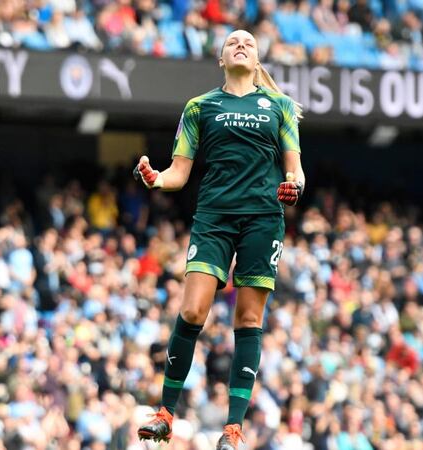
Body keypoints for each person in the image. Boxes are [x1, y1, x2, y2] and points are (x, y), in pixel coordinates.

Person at [133, 29, 305, 450]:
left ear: (258, 56)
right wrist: (157, 179)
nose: (241, 44)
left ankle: (232, 430)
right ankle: (165, 415)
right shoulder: (200, 107)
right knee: (192, 311)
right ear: (221, 60)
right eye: (232, 42)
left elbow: (296, 170)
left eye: (247, 41)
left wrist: (294, 186)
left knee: (247, 319)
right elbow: (179, 171)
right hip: (214, 217)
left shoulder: (279, 108)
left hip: (263, 220)